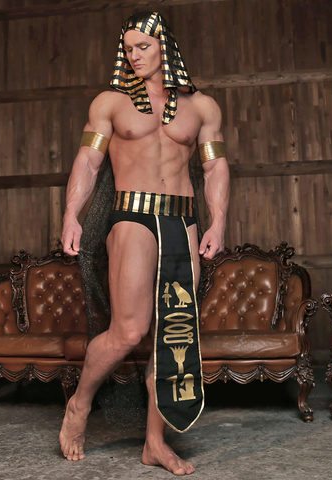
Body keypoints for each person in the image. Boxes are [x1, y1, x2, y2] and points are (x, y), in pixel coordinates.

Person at [59, 11, 229, 476]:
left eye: (143, 47)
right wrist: (71, 215)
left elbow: (214, 167)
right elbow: (88, 162)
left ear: (164, 47)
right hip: (132, 216)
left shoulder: (202, 107)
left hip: (182, 219)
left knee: (172, 334)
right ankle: (80, 403)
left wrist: (218, 223)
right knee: (129, 332)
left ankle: (155, 443)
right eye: (128, 48)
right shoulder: (110, 103)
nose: (134, 56)